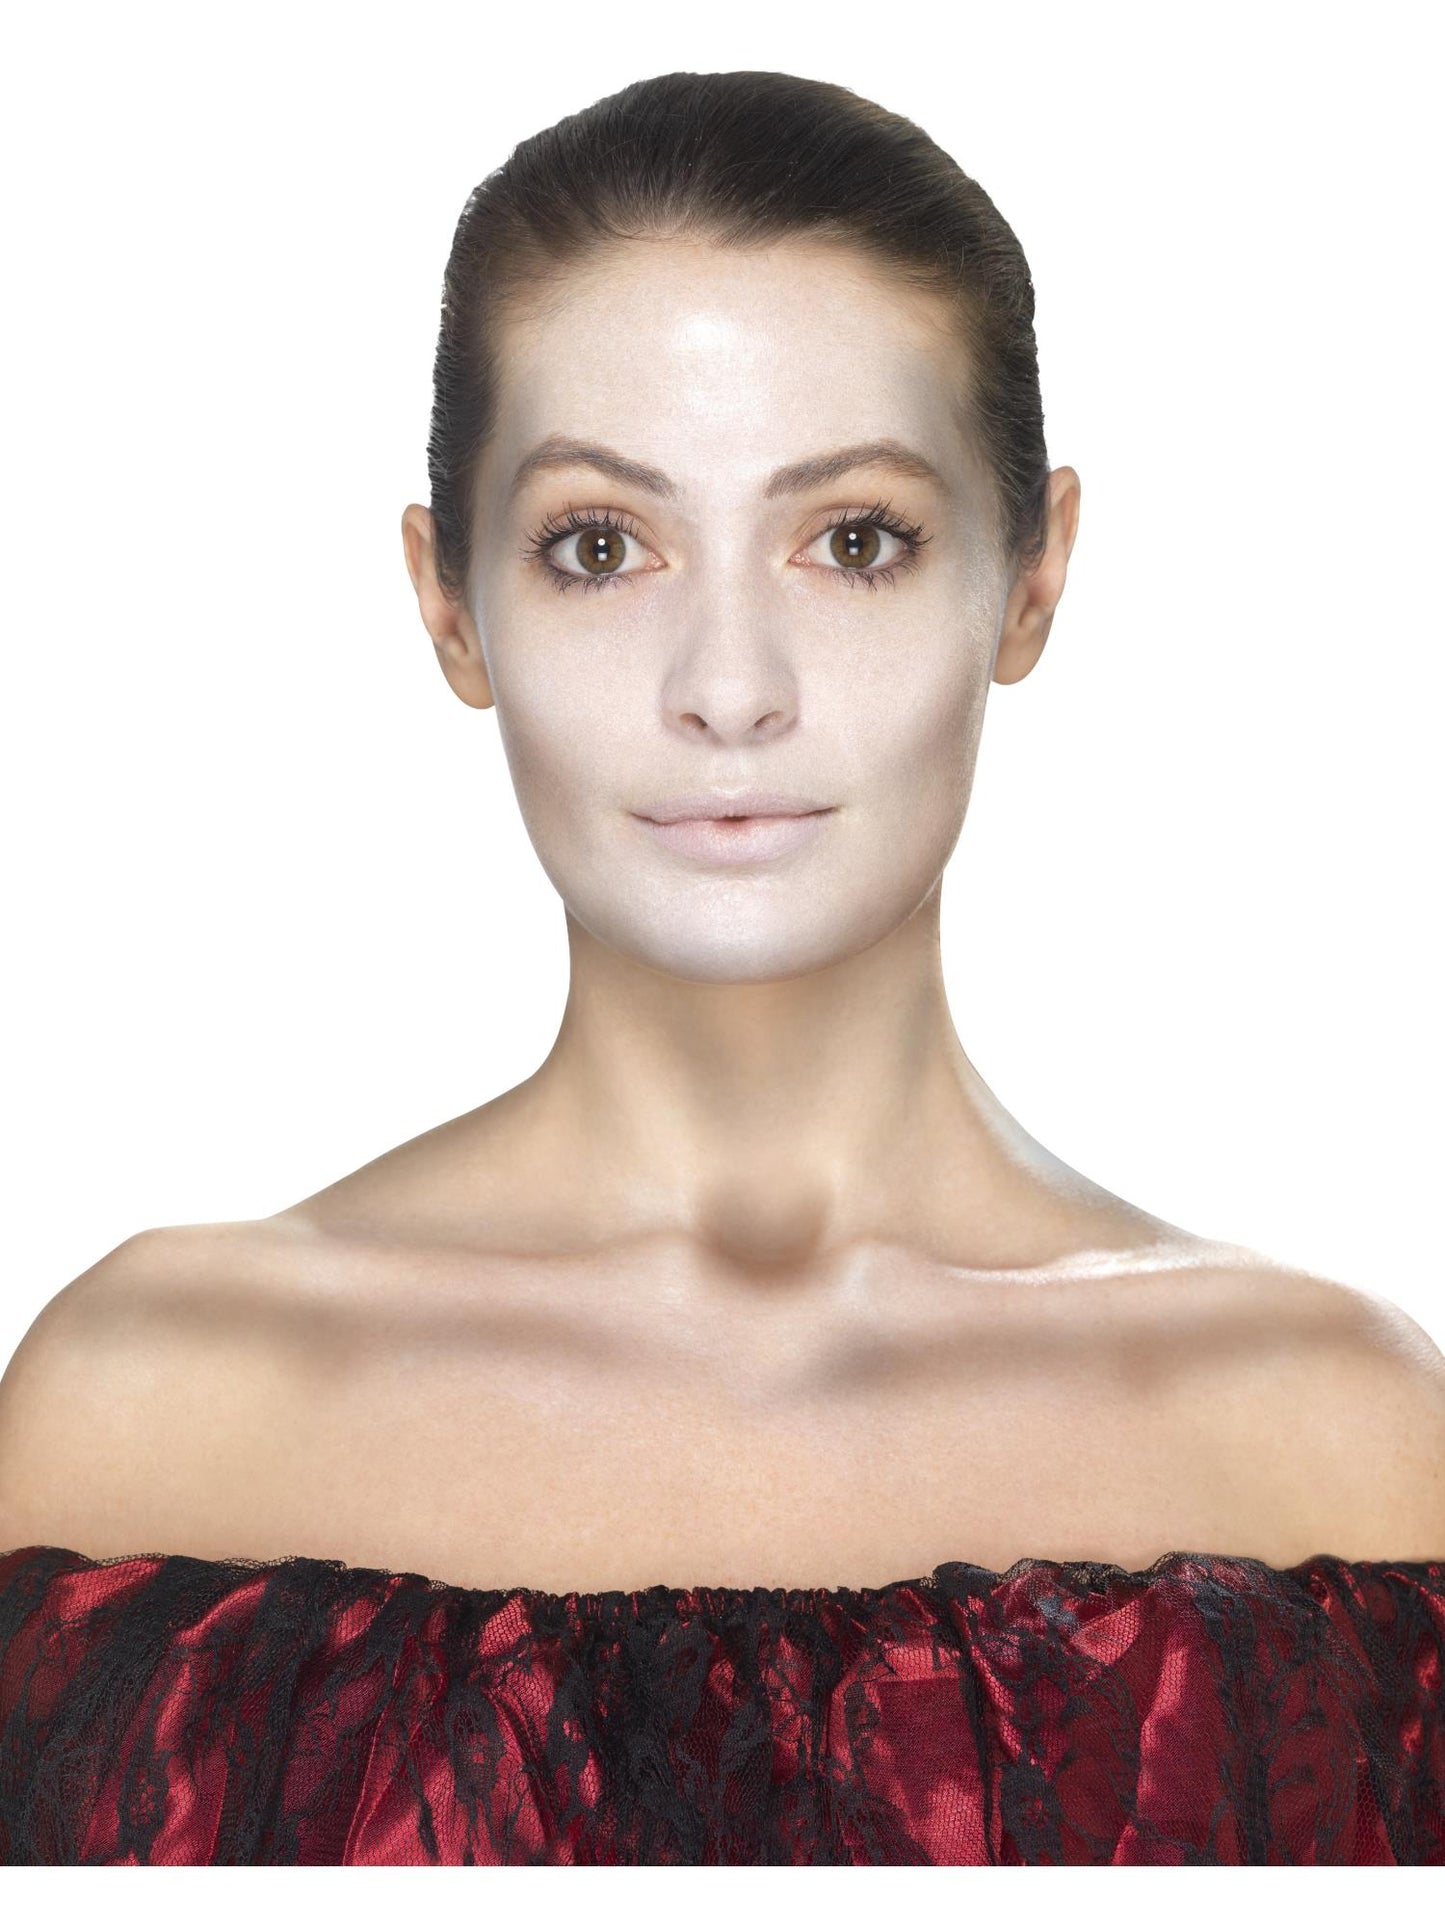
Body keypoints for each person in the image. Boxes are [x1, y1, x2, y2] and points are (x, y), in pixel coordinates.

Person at [0, 68, 1441, 1867]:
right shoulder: (143, 1420)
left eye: (853, 541)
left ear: (1030, 576)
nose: (730, 687)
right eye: (601, 547)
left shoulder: (1331, 1454)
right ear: (449, 602)